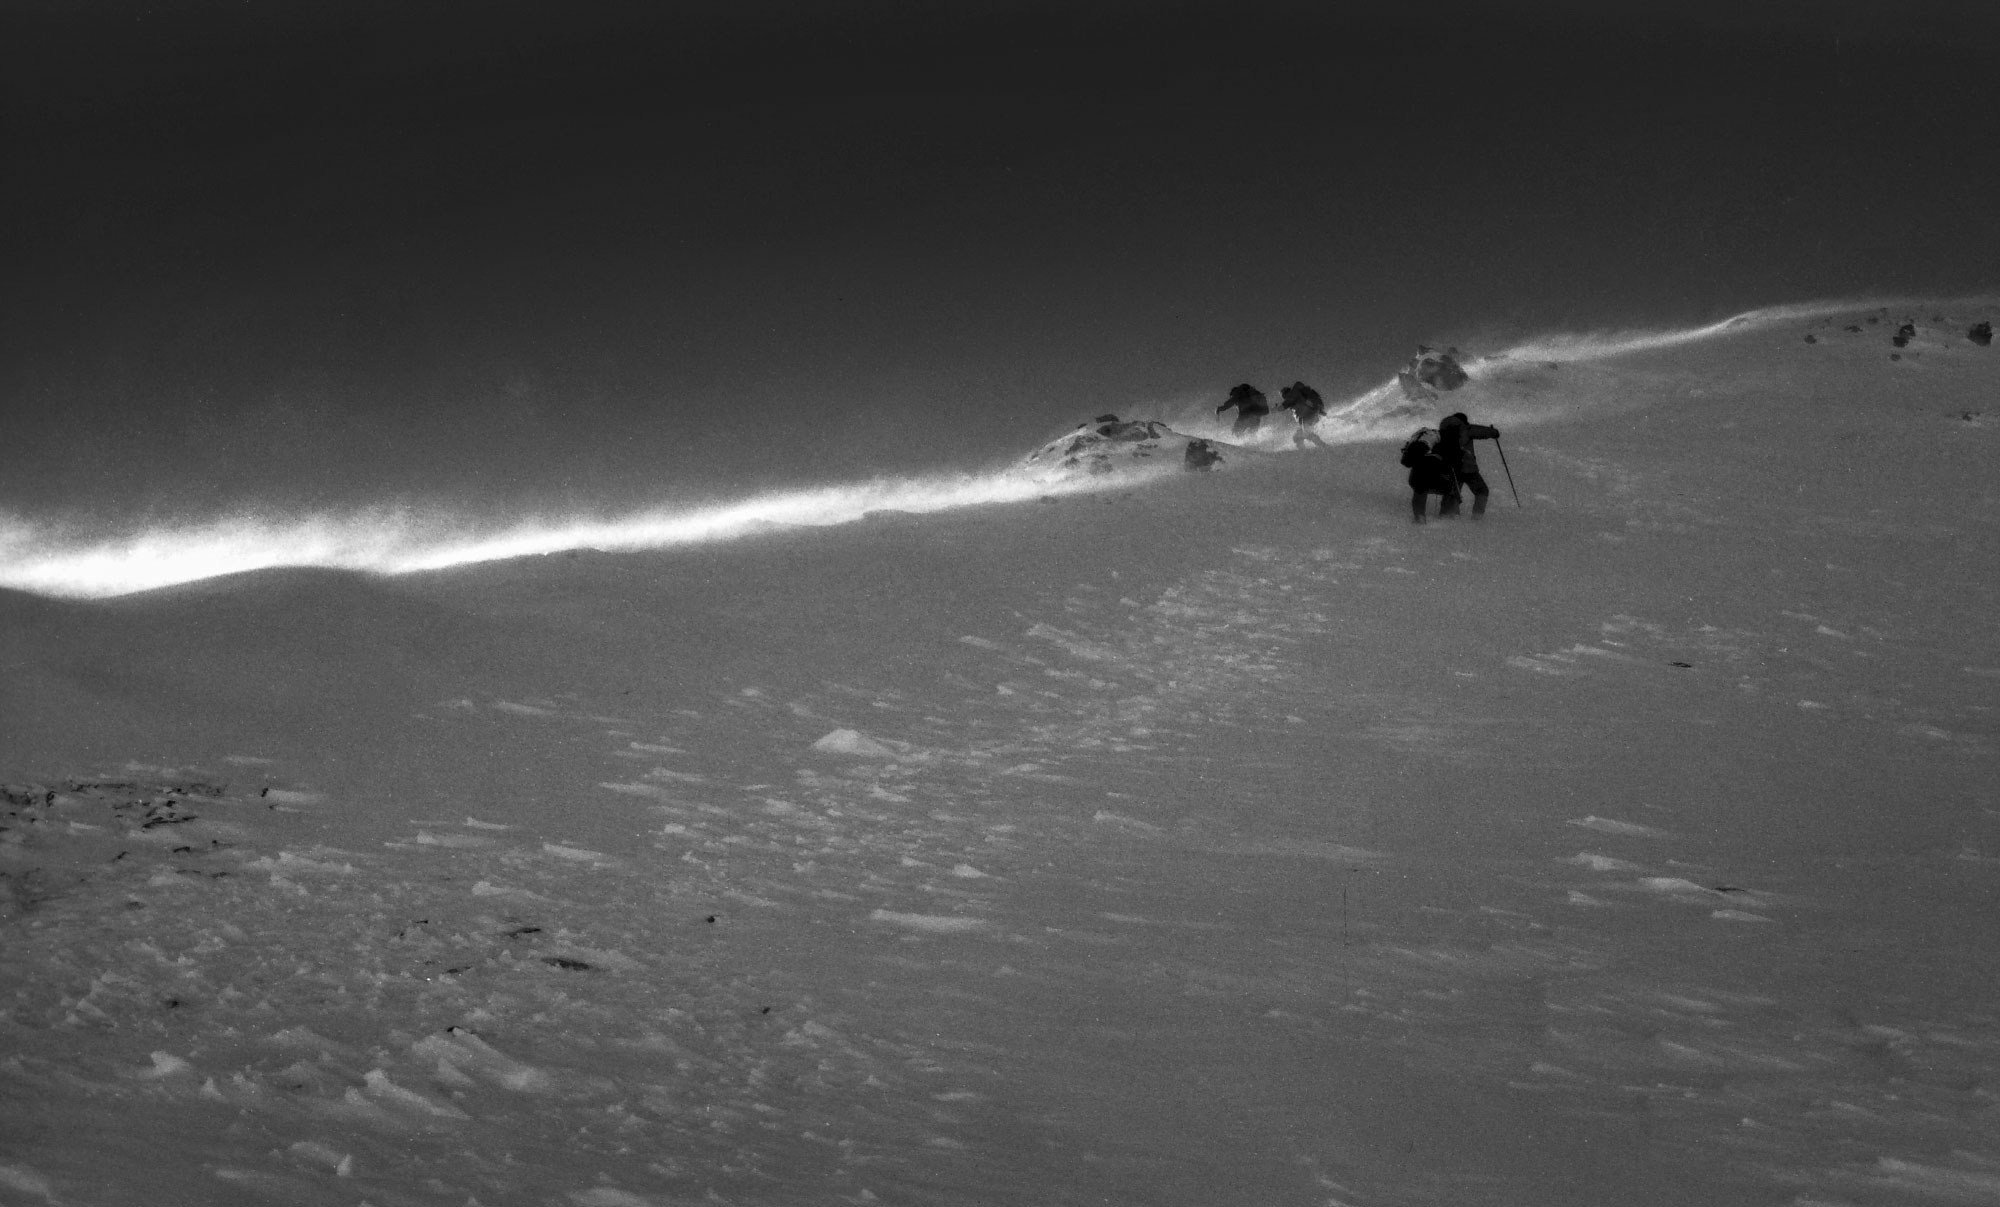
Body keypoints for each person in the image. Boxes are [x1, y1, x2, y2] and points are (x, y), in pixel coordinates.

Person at [1434, 411, 1500, 517]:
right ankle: (1477, 517)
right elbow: (1481, 431)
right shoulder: (1466, 429)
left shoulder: (1442, 432)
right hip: (1468, 468)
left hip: (1451, 468)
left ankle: (1448, 516)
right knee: (1481, 491)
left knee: (1453, 492)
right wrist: (1494, 432)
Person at [1399, 428, 1454, 522]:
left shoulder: (1416, 437)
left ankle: (1419, 517)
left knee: (1420, 490)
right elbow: (1446, 460)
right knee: (1449, 490)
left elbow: (1406, 462)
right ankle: (1445, 516)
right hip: (1432, 472)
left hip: (1416, 475)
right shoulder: (1438, 438)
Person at [1278, 382, 1330, 448]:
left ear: (1285, 394)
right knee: (1297, 436)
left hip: (1306, 416)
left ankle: (1323, 446)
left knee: (1306, 433)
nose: (1284, 398)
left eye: (1283, 396)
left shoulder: (1292, 396)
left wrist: (1274, 409)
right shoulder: (1298, 395)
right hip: (1311, 414)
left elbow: (1281, 408)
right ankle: (1303, 451)